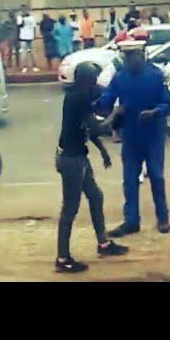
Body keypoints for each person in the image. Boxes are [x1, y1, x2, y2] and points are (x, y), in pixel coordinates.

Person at [55, 61, 129, 273]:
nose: (96, 82)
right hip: (71, 160)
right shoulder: (79, 98)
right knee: (70, 209)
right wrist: (117, 114)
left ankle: (103, 244)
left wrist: (103, 151)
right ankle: (62, 258)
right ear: (86, 80)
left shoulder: (78, 95)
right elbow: (96, 127)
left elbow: (84, 129)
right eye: (93, 79)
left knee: (96, 196)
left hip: (76, 155)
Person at [95, 40, 170, 237]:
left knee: (156, 176)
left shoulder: (156, 76)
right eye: (126, 57)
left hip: (153, 133)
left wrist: (155, 112)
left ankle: (163, 218)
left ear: (142, 54)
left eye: (132, 56)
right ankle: (131, 221)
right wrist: (92, 100)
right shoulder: (120, 78)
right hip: (131, 135)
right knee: (129, 179)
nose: (129, 60)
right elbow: (107, 101)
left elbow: (166, 104)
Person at [17, 5, 39, 74]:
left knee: (33, 52)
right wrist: (22, 18)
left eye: (25, 10)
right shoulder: (19, 17)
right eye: (22, 10)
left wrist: (34, 36)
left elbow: (34, 27)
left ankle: (34, 66)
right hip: (23, 37)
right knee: (23, 53)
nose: (24, 11)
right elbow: (20, 25)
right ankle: (24, 67)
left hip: (30, 37)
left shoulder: (32, 18)